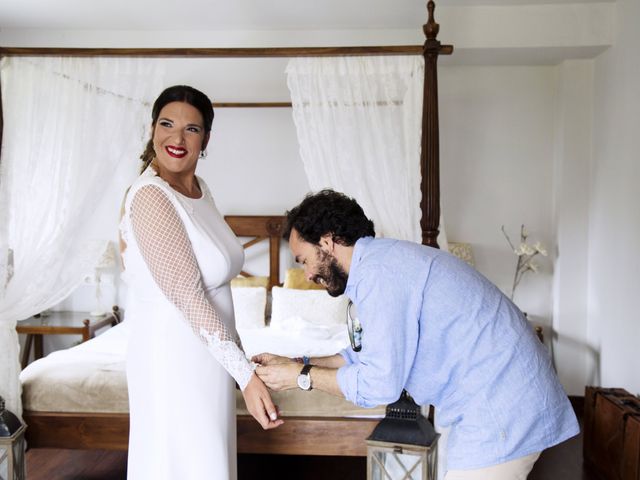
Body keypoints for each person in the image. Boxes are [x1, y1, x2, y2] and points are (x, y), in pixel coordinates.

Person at [254, 189, 579, 480]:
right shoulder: (379, 264)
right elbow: (365, 353)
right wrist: (302, 361)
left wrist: (301, 375)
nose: (308, 273)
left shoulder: (379, 276)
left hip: (502, 406)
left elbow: (380, 384)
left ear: (327, 242)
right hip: (497, 397)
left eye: (304, 260)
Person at [120, 85, 282, 480]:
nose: (177, 138)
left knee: (208, 460)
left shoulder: (200, 191)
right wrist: (244, 375)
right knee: (181, 461)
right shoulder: (149, 196)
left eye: (191, 129)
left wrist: (241, 361)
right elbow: (188, 294)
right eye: (167, 124)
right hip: (172, 358)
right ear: (152, 128)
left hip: (208, 356)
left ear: (205, 139)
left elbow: (217, 292)